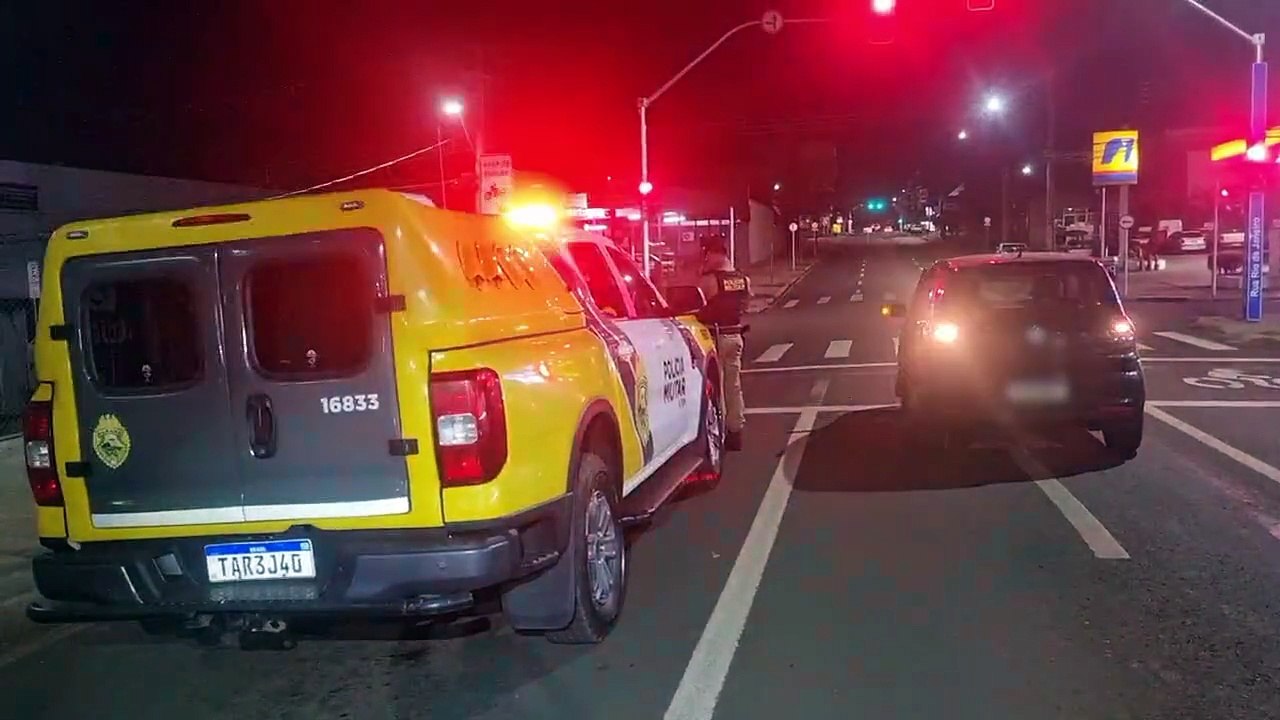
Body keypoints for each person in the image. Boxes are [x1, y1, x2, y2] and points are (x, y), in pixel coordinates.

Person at [696, 234, 748, 451]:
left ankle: (719, 434)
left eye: (707, 253)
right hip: (735, 336)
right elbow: (744, 305)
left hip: (715, 338)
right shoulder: (742, 279)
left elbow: (699, 307)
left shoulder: (710, 280)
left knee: (716, 389)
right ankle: (735, 431)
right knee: (733, 386)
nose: (705, 258)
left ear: (716, 254)